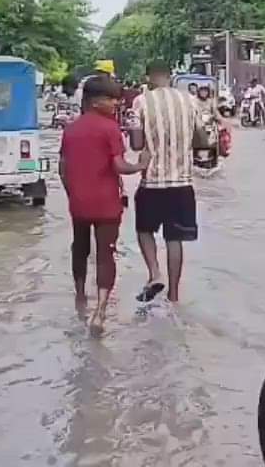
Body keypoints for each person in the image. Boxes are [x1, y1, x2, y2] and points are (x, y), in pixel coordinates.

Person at [59, 75, 149, 335]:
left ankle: (80, 297)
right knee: (106, 253)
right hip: (107, 203)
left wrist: (72, 193)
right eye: (111, 98)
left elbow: (62, 169)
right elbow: (119, 166)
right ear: (96, 101)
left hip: (78, 202)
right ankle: (99, 312)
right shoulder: (110, 129)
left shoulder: (70, 129)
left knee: (80, 247)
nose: (116, 103)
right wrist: (141, 165)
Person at [129, 61, 201, 303]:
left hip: (152, 182)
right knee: (175, 239)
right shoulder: (190, 100)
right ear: (170, 76)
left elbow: (137, 144)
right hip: (182, 183)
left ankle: (154, 273)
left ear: (148, 76)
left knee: (144, 230)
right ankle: (174, 295)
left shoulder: (141, 101)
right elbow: (201, 138)